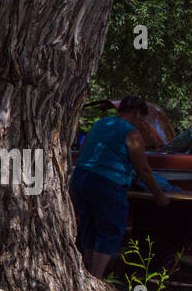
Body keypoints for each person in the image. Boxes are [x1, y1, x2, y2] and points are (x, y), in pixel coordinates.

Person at [69, 96, 169, 278]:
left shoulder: (100, 124)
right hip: (107, 183)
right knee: (110, 230)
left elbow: (84, 151)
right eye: (141, 118)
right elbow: (144, 169)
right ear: (137, 113)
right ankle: (97, 279)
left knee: (89, 227)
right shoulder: (132, 134)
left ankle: (86, 274)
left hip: (81, 178)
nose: (141, 122)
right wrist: (159, 194)